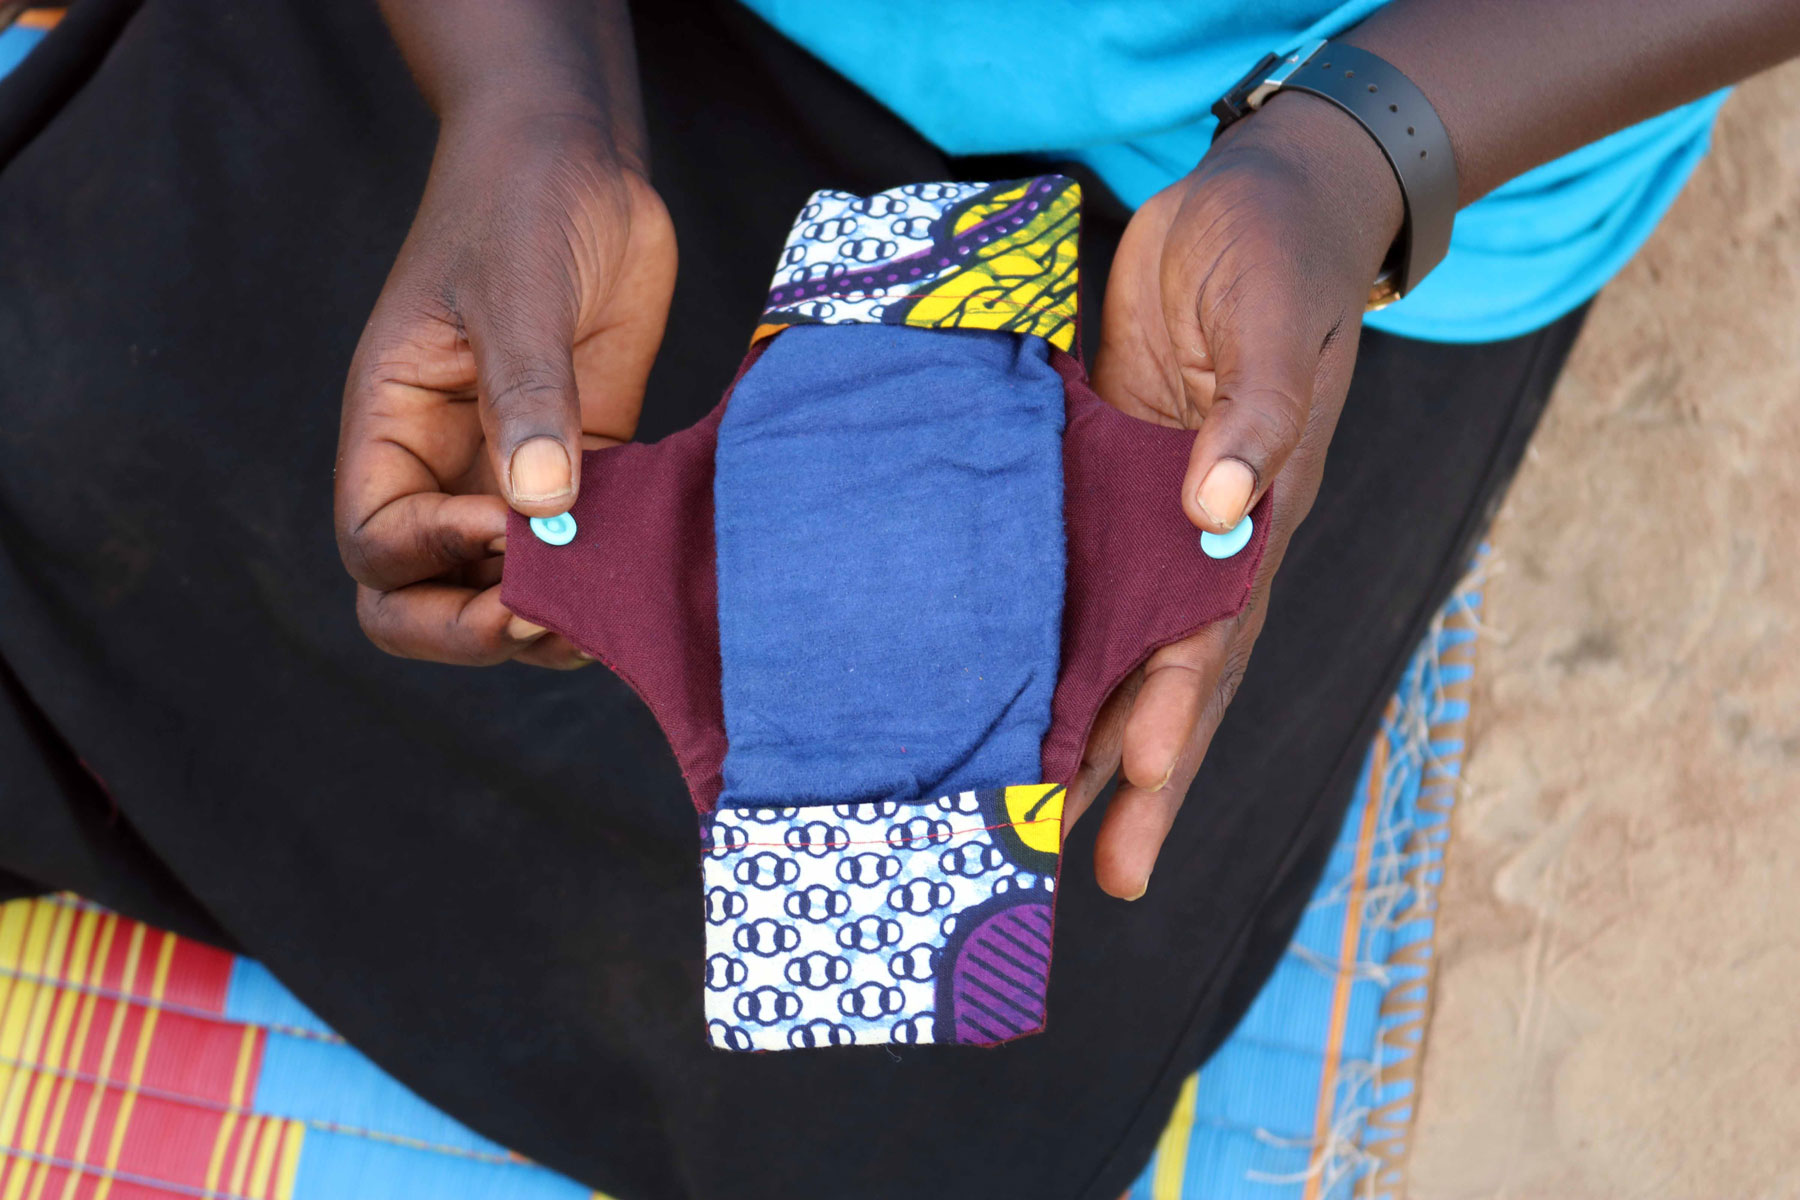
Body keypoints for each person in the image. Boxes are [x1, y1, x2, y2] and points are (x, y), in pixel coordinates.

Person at [0, 1, 1794, 1196]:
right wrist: (526, 86)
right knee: (65, 414)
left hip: (1342, 151)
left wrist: (1351, 158)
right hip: (633, 38)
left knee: (918, 1125)